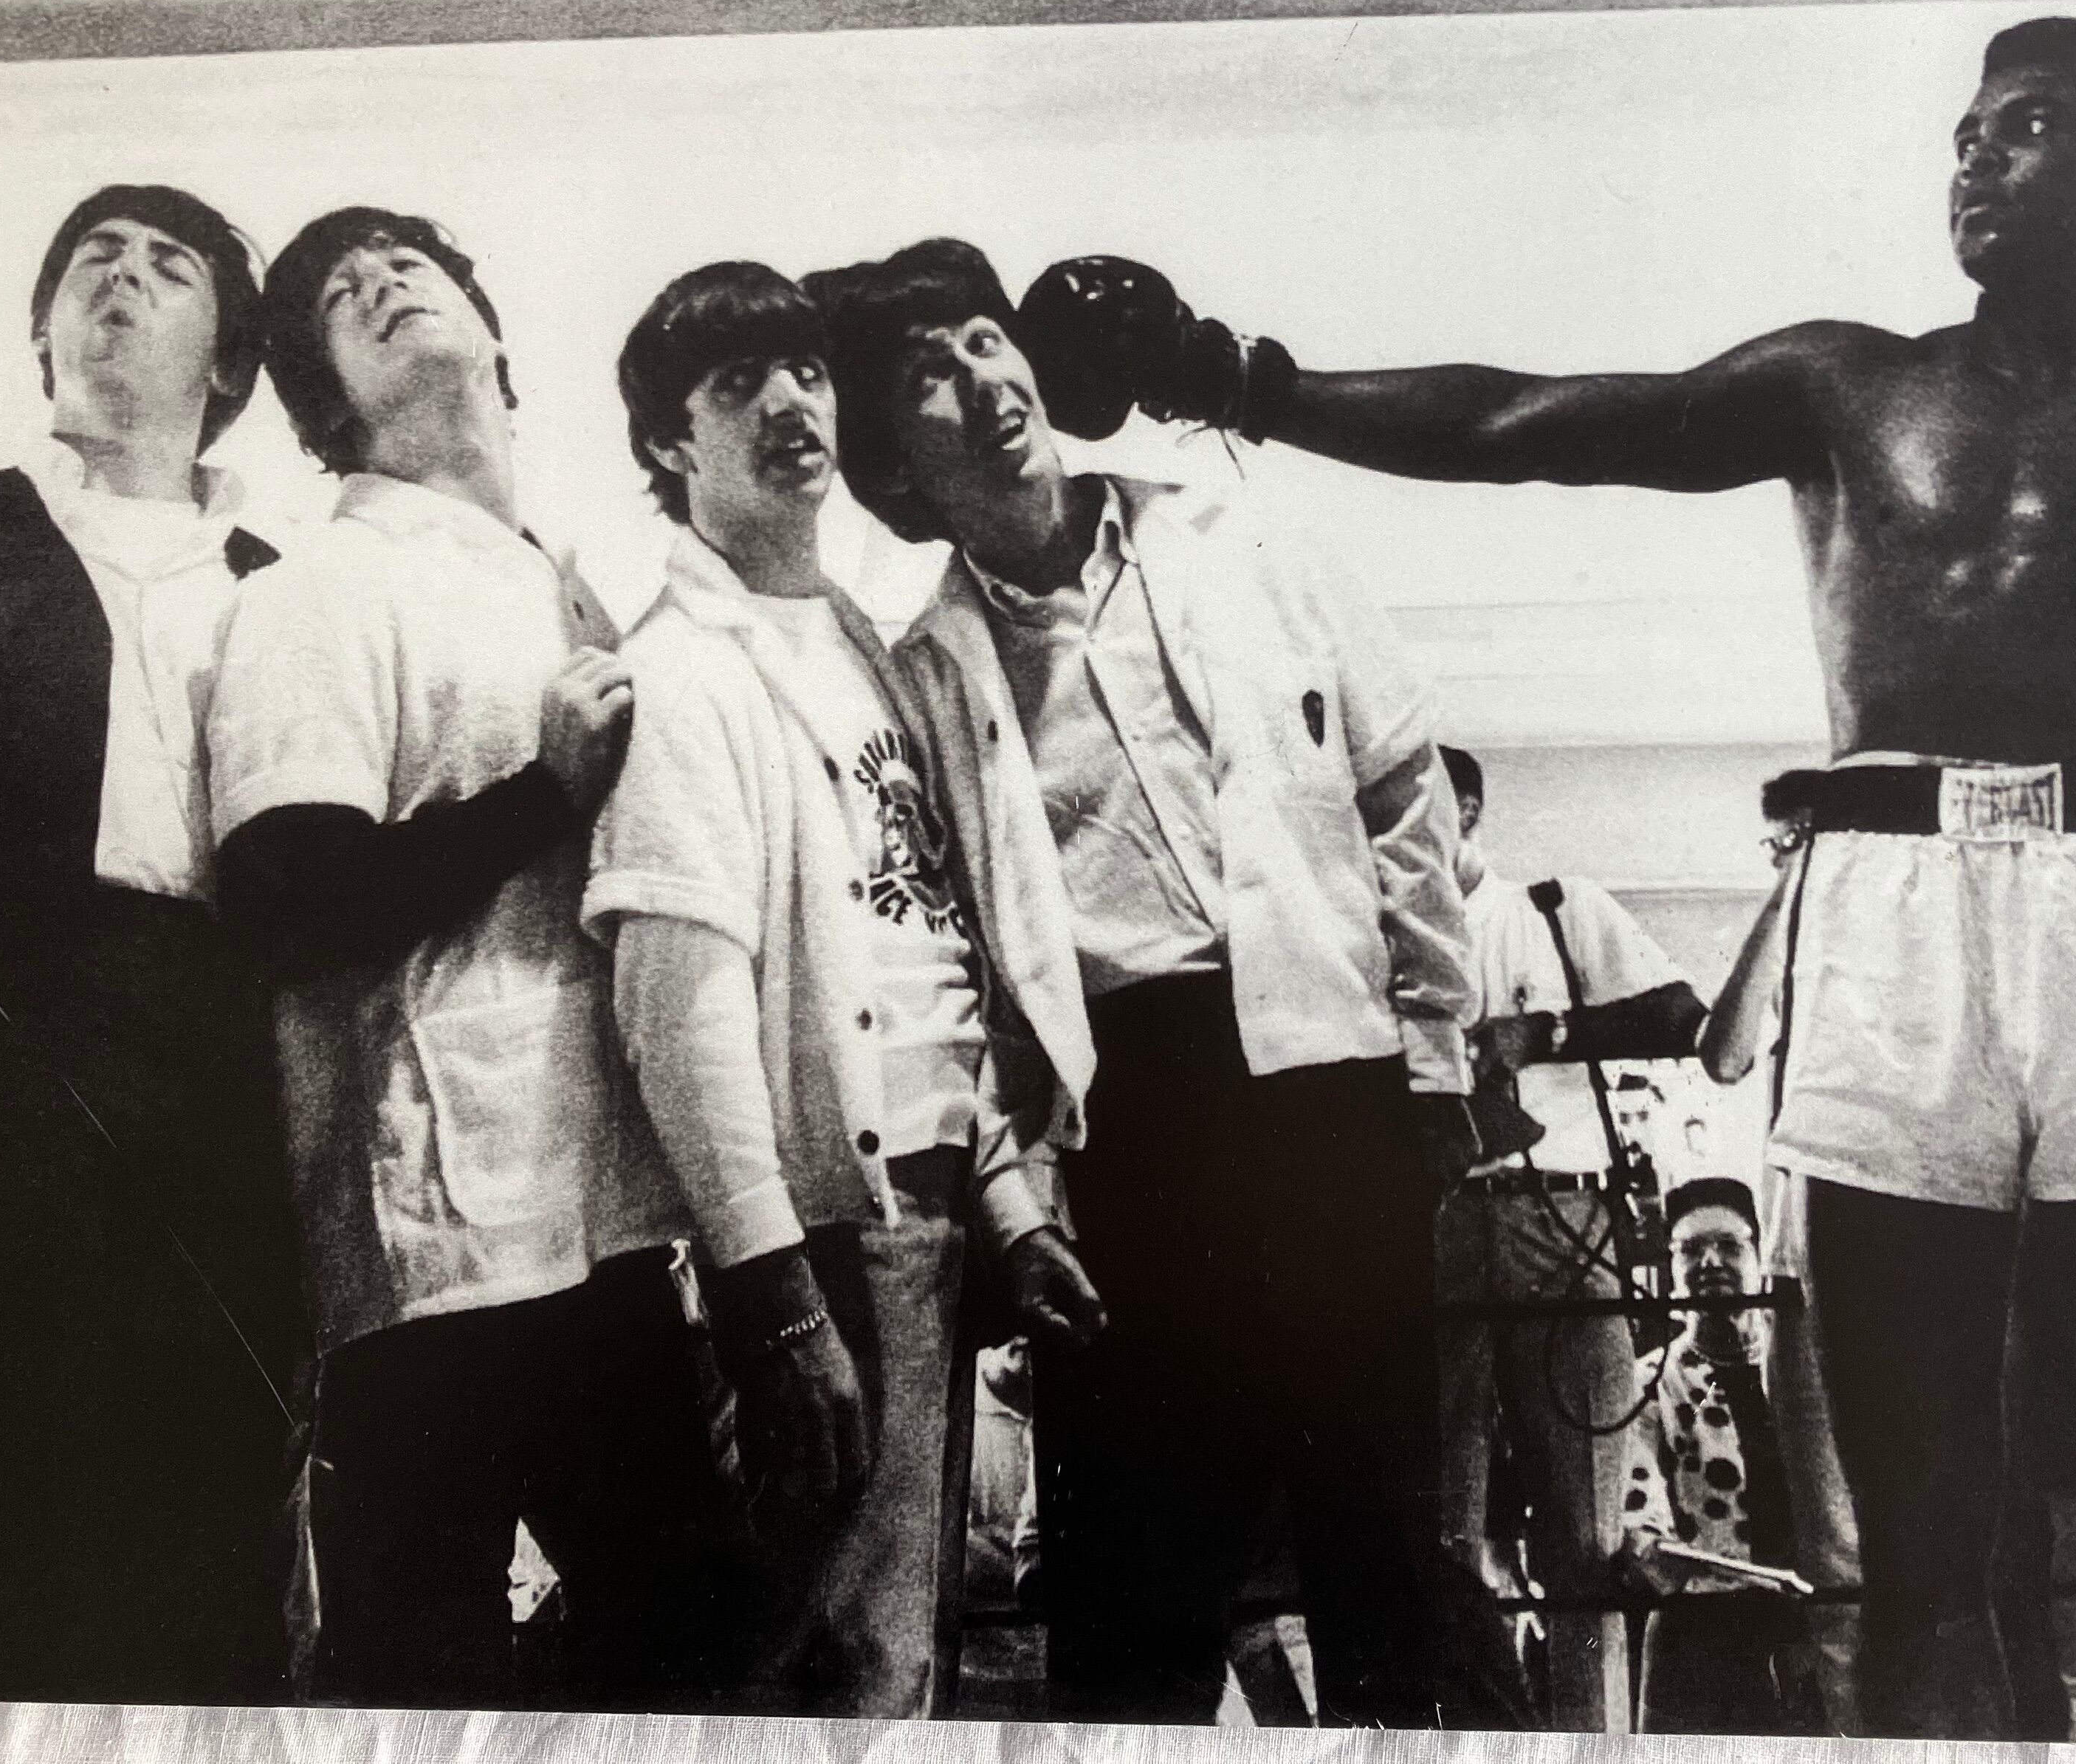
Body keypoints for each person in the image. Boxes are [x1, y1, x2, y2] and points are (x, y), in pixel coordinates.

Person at [1012, 15, 2076, 1743]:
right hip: (1884, 922)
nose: (1974, 154)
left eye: (2028, 128)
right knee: (1920, 1540)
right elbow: (1541, 422)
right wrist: (1234, 377)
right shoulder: (1847, 384)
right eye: (1968, 127)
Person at [805, 238, 1505, 1729]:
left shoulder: (1243, 535)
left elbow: (1399, 796)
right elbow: (946, 958)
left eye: (986, 340)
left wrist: (1434, 1061)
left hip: (1333, 1081)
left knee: (1389, 1566)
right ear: (890, 470)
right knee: (1136, 1604)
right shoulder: (913, 672)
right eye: (927, 374)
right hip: (1132, 1132)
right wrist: (1015, 1194)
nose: (981, 379)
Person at [207, 207, 739, 1707]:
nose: (378, 283)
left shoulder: (570, 584)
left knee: (692, 1674)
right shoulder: (320, 586)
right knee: (420, 1702)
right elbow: (288, 895)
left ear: (496, 338)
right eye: (337, 295)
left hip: (619, 1239)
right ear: (321, 404)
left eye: (407, 263)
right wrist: (536, 795)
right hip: (434, 1262)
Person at [586, 261, 1105, 1715]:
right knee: (802, 1670)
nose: (789, 403)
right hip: (818, 1243)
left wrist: (1011, 1206)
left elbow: (933, 953)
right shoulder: (684, 674)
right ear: (668, 446)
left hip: (930, 1227)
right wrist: (778, 1307)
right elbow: (676, 1013)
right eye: (736, 383)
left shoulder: (871, 648)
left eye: (804, 371)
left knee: (894, 1654)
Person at [0, 185, 304, 1701]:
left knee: (215, 1561)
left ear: (229, 357)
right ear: (40, 328)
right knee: (1, 1560)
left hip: (225, 1105)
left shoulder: (286, 585)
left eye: (167, 270)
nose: (120, 286)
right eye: (91, 263)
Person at [1433, 741, 1705, 1732]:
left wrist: (1545, 1036)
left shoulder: (1553, 910)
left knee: (1587, 1537)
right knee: (1442, 1535)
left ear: (1467, 809)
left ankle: (1592, 1743)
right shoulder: (1376, 938)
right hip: (1434, 1227)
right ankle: (1483, 1736)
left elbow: (1686, 1018)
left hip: (1568, 1218)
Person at [1618, 1178, 1813, 1734]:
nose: (1711, 1262)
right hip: (1698, 1630)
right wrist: (1654, 1547)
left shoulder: (1800, 1373)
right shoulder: (1648, 1380)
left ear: (1757, 1256)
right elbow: (1638, 1506)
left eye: (1730, 1246)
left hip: (1807, 1624)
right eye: (1692, 1250)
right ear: (1671, 1267)